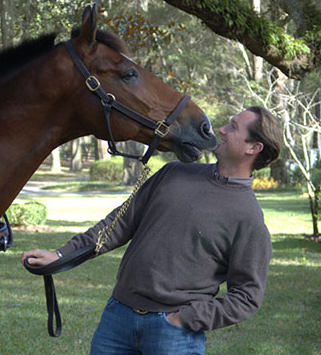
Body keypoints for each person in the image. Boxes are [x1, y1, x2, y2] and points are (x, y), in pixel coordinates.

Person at [22, 106, 283, 355]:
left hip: (174, 335)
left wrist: (185, 319)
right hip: (118, 315)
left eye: (233, 127)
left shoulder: (248, 218)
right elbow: (118, 224)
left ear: (253, 147)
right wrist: (61, 255)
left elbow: (247, 297)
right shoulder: (174, 172)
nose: (222, 130)